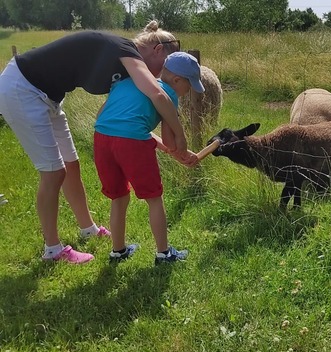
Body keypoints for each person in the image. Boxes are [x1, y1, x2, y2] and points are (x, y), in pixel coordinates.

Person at [0, 21, 199, 264]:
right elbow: (158, 95)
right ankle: (52, 250)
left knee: (71, 165)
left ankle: (89, 229)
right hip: (23, 88)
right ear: (158, 50)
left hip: (55, 103)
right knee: (53, 173)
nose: (159, 74)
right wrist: (180, 136)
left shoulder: (129, 75)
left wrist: (170, 148)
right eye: (162, 66)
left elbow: (123, 123)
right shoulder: (126, 49)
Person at [94, 51, 204, 265]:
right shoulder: (166, 94)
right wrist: (179, 149)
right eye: (188, 85)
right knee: (154, 198)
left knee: (119, 196)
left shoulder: (128, 82)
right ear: (176, 80)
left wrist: (175, 155)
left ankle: (118, 251)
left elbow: (108, 118)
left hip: (102, 139)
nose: (187, 91)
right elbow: (170, 141)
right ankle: (164, 254)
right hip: (132, 143)